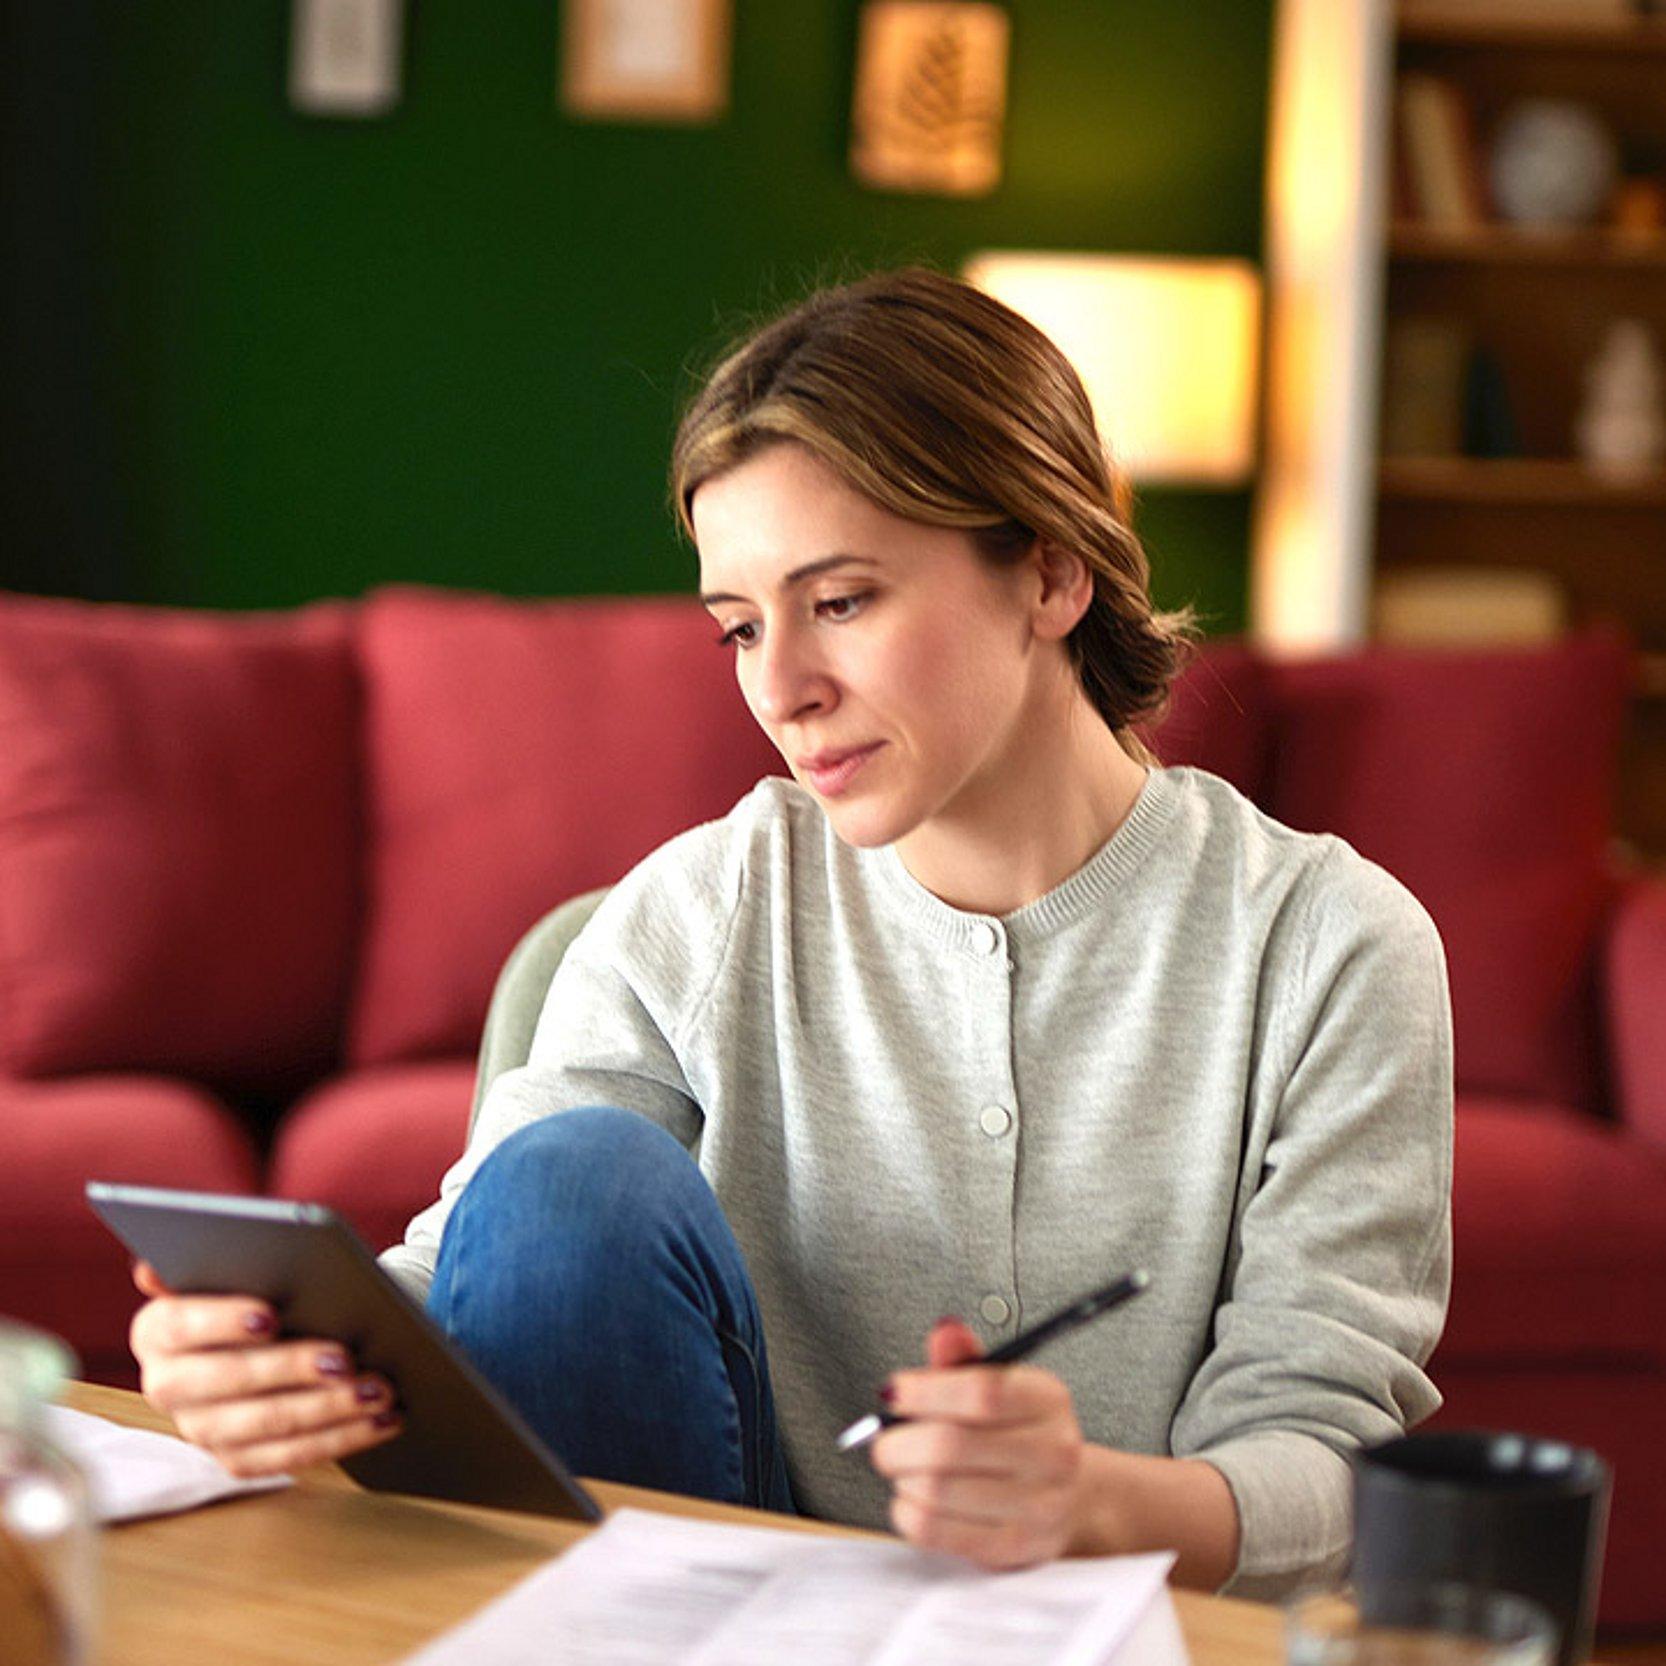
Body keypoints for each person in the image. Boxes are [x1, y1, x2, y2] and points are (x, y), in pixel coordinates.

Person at [127, 265, 1453, 1599]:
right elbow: (497, 1262)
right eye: (739, 627)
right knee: (566, 1178)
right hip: (729, 1614)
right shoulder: (698, 910)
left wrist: (1095, 1503)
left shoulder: (1328, 945)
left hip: (1126, 1627)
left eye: (842, 600)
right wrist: (286, 1361)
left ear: (1051, 571)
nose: (781, 688)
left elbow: (1331, 1459)